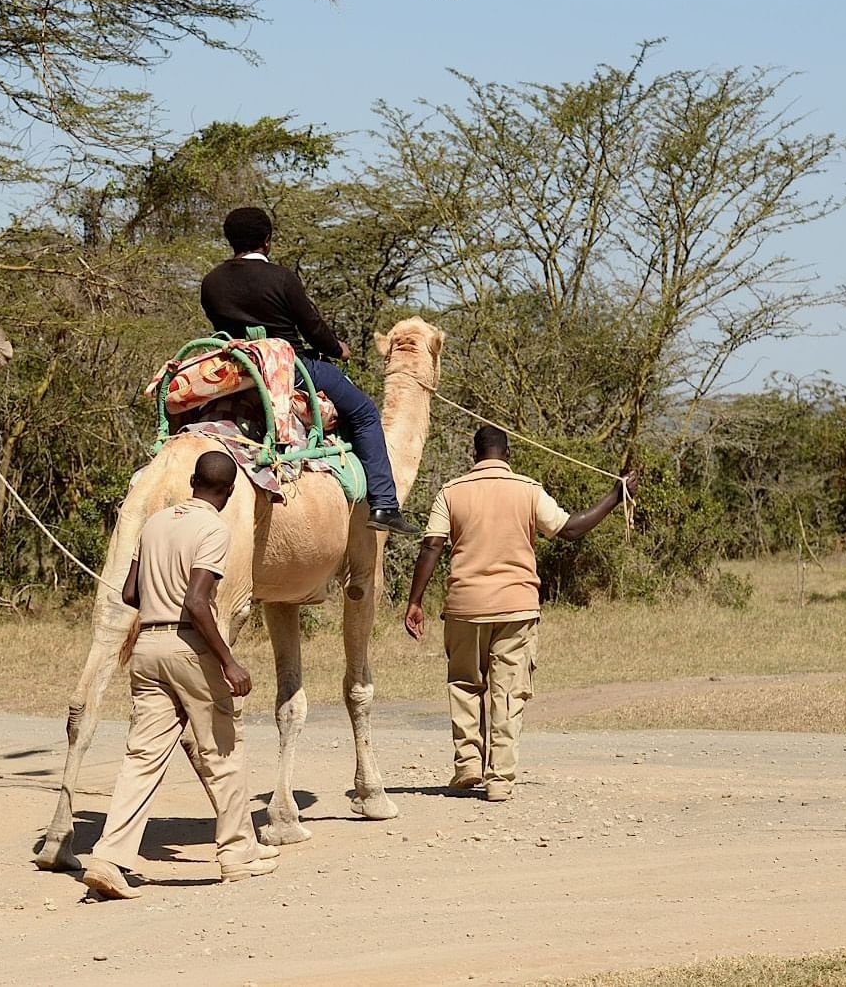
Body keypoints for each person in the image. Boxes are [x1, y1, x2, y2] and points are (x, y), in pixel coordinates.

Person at [403, 426, 638, 802]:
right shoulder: (528, 489)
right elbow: (570, 530)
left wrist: (415, 601)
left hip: (465, 607)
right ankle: (499, 779)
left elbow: (432, 545)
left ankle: (467, 764)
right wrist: (615, 495)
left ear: (473, 455)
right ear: (508, 454)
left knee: (464, 684)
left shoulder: (451, 492)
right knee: (508, 692)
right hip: (517, 606)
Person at [82, 450, 278, 899]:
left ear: (192, 480)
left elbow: (130, 592)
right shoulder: (213, 527)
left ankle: (109, 859)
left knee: (142, 759)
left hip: (147, 647)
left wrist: (157, 594)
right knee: (223, 751)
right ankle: (236, 854)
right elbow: (196, 601)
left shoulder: (155, 523)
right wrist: (228, 660)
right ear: (228, 492)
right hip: (188, 645)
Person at [200, 206, 416, 535]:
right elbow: (313, 328)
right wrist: (337, 349)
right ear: (267, 241)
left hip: (235, 371)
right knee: (365, 413)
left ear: (230, 240)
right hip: (292, 369)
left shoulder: (211, 282)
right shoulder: (281, 278)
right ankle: (385, 504)